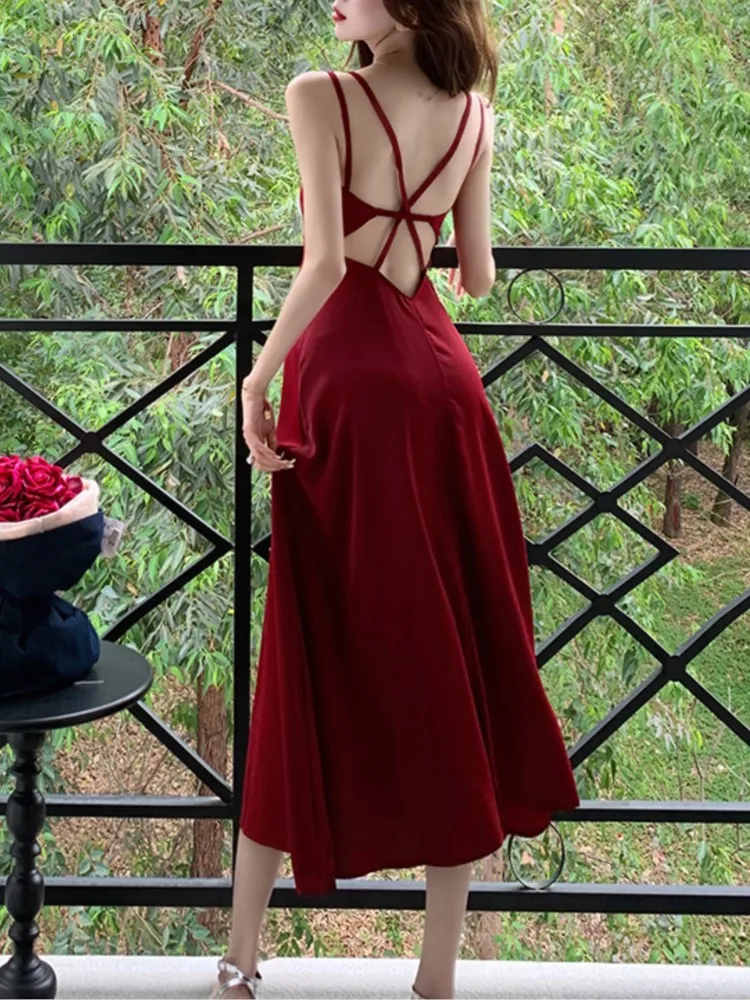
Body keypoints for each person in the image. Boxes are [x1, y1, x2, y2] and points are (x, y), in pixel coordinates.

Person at [214, 1, 579, 997]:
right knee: (447, 653)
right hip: (444, 390)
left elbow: (327, 264)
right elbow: (480, 274)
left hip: (344, 384)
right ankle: (436, 975)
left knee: (306, 648)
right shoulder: (475, 112)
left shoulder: (320, 95)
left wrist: (256, 379)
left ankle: (240, 960)